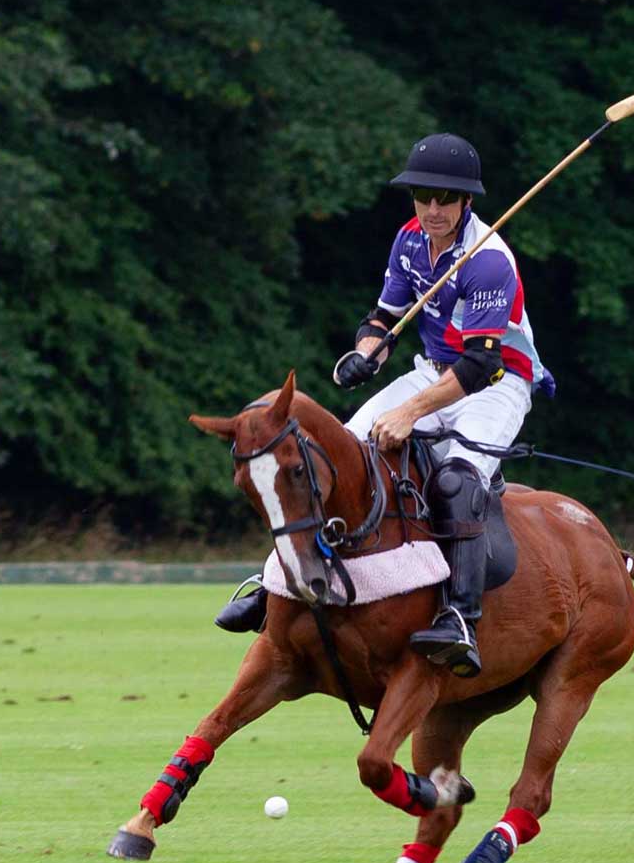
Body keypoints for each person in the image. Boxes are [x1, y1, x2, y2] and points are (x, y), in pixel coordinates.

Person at [216, 133, 548, 679]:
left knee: (458, 481)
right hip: (432, 371)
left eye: (445, 198)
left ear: (467, 201)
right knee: (336, 453)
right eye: (423, 196)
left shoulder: (488, 262)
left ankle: (460, 618)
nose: (433, 209)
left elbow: (480, 365)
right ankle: (277, 582)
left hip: (497, 382)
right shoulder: (410, 240)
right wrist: (366, 352)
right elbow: (384, 318)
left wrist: (411, 412)